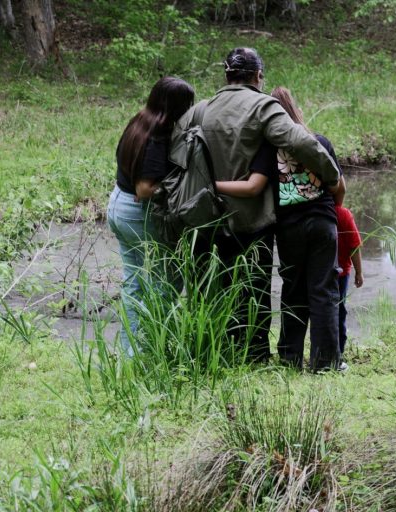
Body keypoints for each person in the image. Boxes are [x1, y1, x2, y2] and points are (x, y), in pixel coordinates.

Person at [176, 47, 341, 362]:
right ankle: (254, 354)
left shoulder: (201, 110)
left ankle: (215, 352)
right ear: (258, 76)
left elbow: (176, 148)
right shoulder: (263, 106)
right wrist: (331, 175)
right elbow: (300, 141)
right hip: (250, 218)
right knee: (253, 289)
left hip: (205, 217)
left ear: (227, 75)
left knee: (212, 288)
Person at [108, 76, 195, 356]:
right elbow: (144, 189)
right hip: (138, 213)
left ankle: (131, 353)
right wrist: (179, 185)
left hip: (118, 205)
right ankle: (150, 348)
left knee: (134, 282)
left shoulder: (140, 121)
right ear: (176, 107)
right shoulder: (158, 135)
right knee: (168, 279)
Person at [269, 86, 345, 372]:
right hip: (323, 223)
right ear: (296, 110)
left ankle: (290, 359)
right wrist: (331, 214)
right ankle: (326, 363)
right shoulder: (319, 142)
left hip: (289, 228)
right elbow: (338, 186)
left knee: (293, 290)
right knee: (324, 291)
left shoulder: (269, 151)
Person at [335, 200, 363, 364]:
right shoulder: (343, 214)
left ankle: (321, 352)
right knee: (339, 312)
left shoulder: (313, 211)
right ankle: (338, 353)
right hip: (341, 274)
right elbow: (354, 246)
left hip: (317, 273)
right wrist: (359, 272)